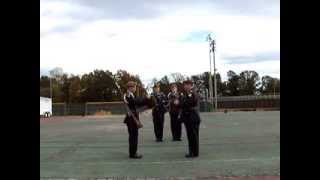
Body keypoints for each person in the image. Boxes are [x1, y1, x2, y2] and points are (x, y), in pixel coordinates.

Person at [123, 81, 150, 159]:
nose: (135, 88)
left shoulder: (132, 95)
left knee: (134, 136)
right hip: (131, 119)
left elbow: (136, 104)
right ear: (130, 88)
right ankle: (133, 153)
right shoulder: (128, 95)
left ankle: (133, 152)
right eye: (134, 87)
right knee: (133, 136)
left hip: (133, 118)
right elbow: (132, 101)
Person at [180, 80, 201, 158]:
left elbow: (191, 102)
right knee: (190, 135)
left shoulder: (192, 93)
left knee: (193, 136)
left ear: (190, 85)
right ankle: (193, 151)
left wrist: (181, 103)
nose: (185, 86)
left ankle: (193, 152)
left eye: (187, 85)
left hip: (193, 117)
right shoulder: (186, 94)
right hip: (188, 117)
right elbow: (182, 103)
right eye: (184, 85)